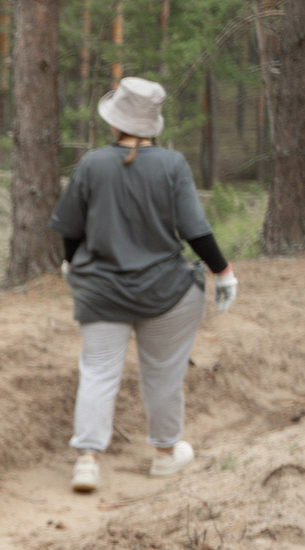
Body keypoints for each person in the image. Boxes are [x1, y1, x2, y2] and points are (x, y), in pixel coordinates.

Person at [51, 76, 237, 494]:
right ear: (153, 122)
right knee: (164, 374)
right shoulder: (173, 165)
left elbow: (70, 229)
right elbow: (195, 230)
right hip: (166, 292)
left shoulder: (92, 164)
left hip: (101, 290)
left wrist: (70, 263)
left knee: (98, 372)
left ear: (114, 121)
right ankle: (165, 456)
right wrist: (222, 273)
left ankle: (86, 461)